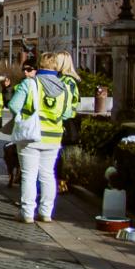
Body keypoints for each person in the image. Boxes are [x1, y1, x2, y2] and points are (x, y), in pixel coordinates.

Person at [8, 52, 70, 223]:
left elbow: (13, 105)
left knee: (29, 175)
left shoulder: (30, 83)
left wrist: (24, 114)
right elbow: (67, 113)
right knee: (48, 174)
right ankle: (46, 212)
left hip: (31, 135)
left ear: (40, 65)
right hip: (54, 136)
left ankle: (27, 212)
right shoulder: (65, 88)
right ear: (56, 66)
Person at [54, 51, 82, 194]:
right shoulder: (65, 79)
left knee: (60, 153)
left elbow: (68, 102)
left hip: (66, 120)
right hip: (66, 119)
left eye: (56, 61)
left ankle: (61, 181)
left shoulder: (68, 81)